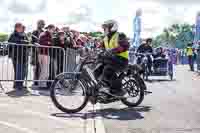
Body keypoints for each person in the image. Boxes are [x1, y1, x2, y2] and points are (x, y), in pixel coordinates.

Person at [96, 20, 129, 97]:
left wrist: (113, 50)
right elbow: (101, 48)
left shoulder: (120, 35)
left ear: (112, 27)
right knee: (97, 70)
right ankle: (106, 89)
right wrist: (93, 53)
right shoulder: (105, 38)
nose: (104, 29)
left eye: (106, 27)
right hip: (111, 59)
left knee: (108, 70)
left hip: (121, 59)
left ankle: (118, 90)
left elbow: (125, 46)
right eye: (104, 28)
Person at [8, 23, 29, 91]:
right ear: (16, 28)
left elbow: (28, 42)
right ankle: (17, 85)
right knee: (18, 71)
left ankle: (20, 84)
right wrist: (24, 42)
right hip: (16, 56)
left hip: (24, 55)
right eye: (20, 27)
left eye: (22, 27)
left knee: (24, 71)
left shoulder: (24, 34)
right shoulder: (13, 35)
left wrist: (25, 42)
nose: (21, 28)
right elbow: (15, 42)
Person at [38, 24, 55, 90]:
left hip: (46, 54)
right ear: (49, 28)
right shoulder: (44, 34)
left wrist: (50, 43)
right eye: (53, 29)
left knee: (46, 71)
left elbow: (50, 43)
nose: (53, 31)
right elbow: (44, 43)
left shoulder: (47, 34)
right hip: (43, 54)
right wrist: (49, 43)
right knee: (44, 71)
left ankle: (43, 84)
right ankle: (42, 85)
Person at [31, 20, 45, 86]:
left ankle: (39, 80)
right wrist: (35, 43)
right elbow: (32, 41)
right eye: (41, 24)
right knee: (35, 67)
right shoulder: (34, 32)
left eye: (43, 24)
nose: (43, 25)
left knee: (41, 67)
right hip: (35, 52)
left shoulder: (44, 32)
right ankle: (35, 81)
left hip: (42, 52)